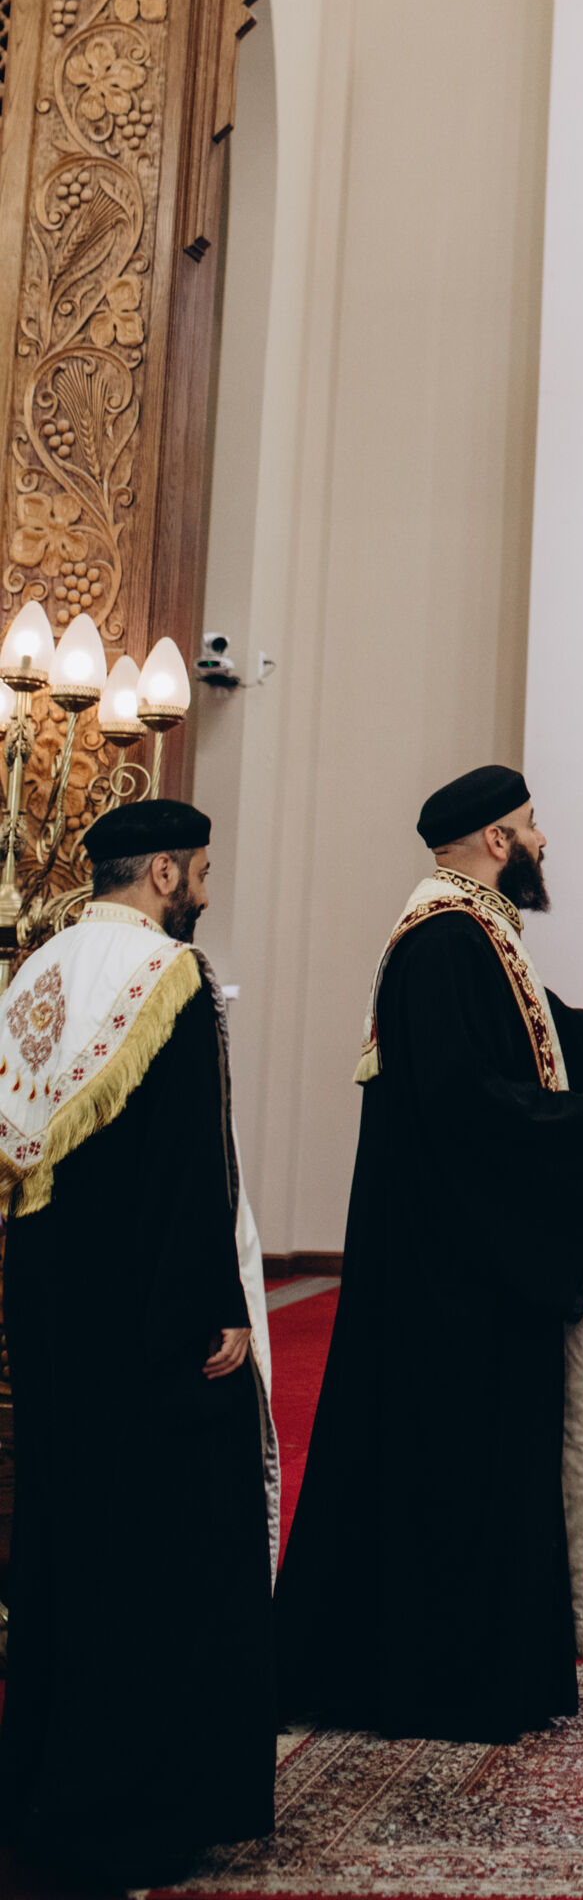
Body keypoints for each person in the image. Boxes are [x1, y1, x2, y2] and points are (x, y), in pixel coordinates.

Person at [274, 765, 583, 1739]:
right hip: (449, 1274)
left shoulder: (475, 928)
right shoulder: (445, 941)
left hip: (458, 1257)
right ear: (498, 839)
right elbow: (463, 1103)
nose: (543, 842)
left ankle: (484, 1665)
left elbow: (552, 1037)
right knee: (455, 1466)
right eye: (533, 826)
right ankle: (450, 1677)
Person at [0, 800, 276, 1886]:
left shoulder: (40, 970)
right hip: (152, 1314)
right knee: (154, 1550)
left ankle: (44, 1779)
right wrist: (218, 1307)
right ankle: (141, 1801)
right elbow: (188, 1159)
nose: (204, 887)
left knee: (62, 1530)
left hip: (47, 1300)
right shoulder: (170, 976)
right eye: (199, 869)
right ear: (164, 872)